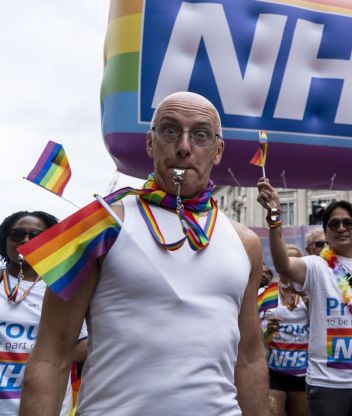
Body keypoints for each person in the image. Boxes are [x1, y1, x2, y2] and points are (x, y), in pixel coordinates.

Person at [20, 92, 268, 415]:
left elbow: (249, 359)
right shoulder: (97, 225)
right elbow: (51, 355)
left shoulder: (245, 243)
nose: (183, 146)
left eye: (201, 135)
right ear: (150, 143)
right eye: (169, 130)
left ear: (218, 151)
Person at [255, 183, 352, 415]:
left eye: (348, 223)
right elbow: (283, 264)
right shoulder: (316, 266)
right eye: (334, 224)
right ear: (326, 233)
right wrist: (274, 215)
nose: (341, 228)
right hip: (327, 385)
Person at [0, 211, 87, 416]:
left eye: (37, 235)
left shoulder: (64, 288)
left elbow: (80, 348)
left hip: (43, 406)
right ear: (5, 240)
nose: (26, 240)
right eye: (17, 234)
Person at [262, 244, 310, 416]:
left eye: (295, 260)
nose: (289, 264)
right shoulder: (263, 294)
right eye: (285, 258)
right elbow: (255, 337)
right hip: (274, 373)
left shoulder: (310, 295)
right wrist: (267, 332)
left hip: (303, 374)